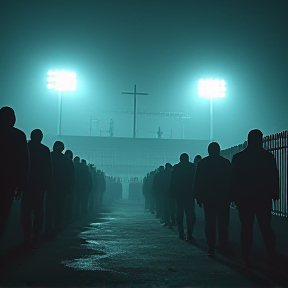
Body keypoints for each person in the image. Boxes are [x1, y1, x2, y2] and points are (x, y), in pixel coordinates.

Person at [231, 129, 279, 267]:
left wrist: (234, 196)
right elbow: (273, 176)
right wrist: (274, 193)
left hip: (245, 198)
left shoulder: (238, 158)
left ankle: (246, 256)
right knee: (266, 228)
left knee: (246, 229)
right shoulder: (267, 157)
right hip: (263, 198)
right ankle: (271, 254)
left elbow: (234, 179)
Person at [194, 142, 231, 257]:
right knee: (223, 223)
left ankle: (211, 247)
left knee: (210, 223)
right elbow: (231, 180)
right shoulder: (225, 163)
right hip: (223, 197)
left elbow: (198, 181)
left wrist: (198, 197)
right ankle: (222, 245)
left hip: (209, 198)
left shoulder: (203, 163)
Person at [0, 107, 29, 243]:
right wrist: (21, 184)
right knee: (3, 213)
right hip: (8, 181)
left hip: (8, 180)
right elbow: (23, 162)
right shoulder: (18, 136)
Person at [21, 129, 52, 249]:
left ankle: (26, 236)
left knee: (26, 212)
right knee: (39, 212)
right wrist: (48, 184)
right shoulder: (45, 150)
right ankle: (35, 236)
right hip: (40, 186)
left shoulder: (26, 147)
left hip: (27, 185)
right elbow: (49, 170)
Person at [169, 153, 197, 242]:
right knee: (190, 215)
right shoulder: (193, 167)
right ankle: (189, 234)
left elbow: (172, 182)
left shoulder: (176, 168)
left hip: (179, 194)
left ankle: (181, 233)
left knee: (179, 214)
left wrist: (172, 194)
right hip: (190, 194)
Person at [45, 141, 70, 237]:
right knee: (59, 209)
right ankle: (56, 226)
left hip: (50, 186)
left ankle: (48, 228)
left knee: (49, 209)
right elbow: (68, 175)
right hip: (61, 188)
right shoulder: (65, 160)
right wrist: (68, 187)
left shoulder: (49, 156)